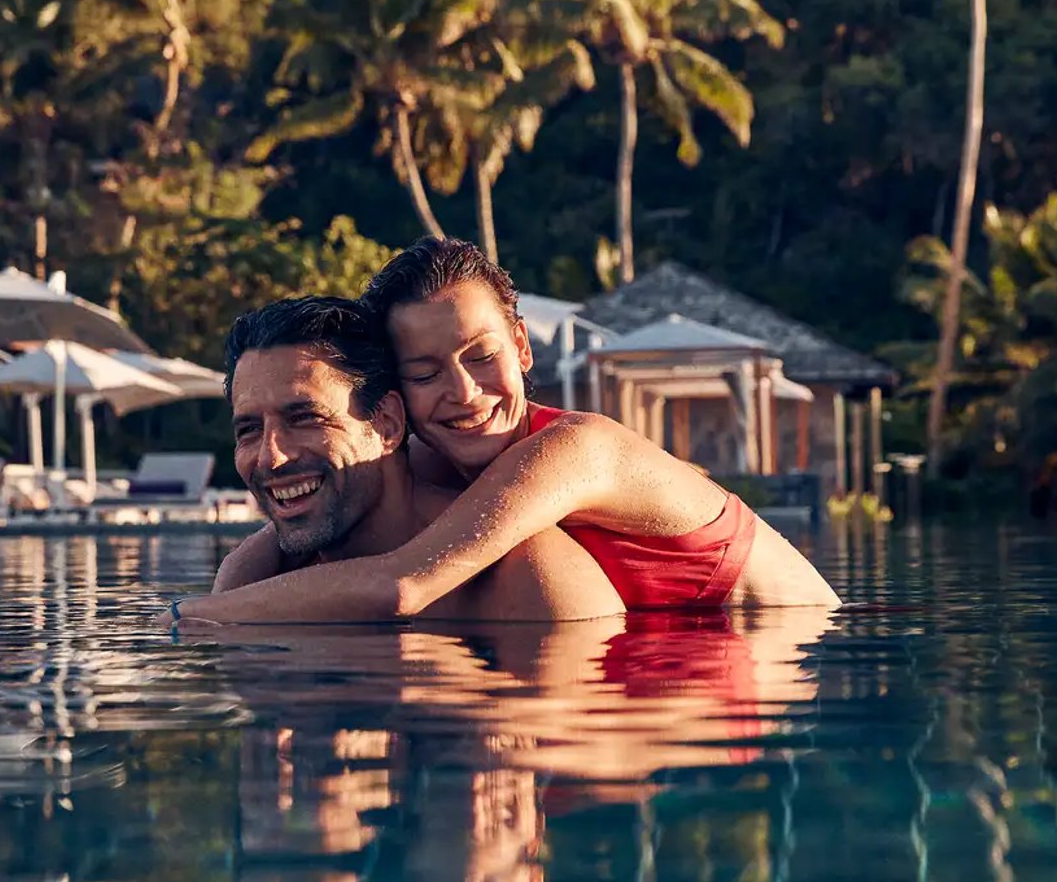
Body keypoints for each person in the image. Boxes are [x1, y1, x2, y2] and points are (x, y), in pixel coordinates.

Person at [185, 239, 838, 625]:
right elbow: (327, 490)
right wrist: (252, 560)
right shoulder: (437, 462)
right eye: (425, 370)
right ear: (396, 403)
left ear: (522, 346)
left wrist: (188, 620)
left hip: (793, 648)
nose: (464, 392)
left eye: (481, 356)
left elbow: (404, 583)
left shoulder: (576, 450)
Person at [173, 295, 623, 624]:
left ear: (387, 424)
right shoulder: (262, 579)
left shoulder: (527, 578)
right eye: (248, 429)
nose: (271, 456)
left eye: (305, 417)